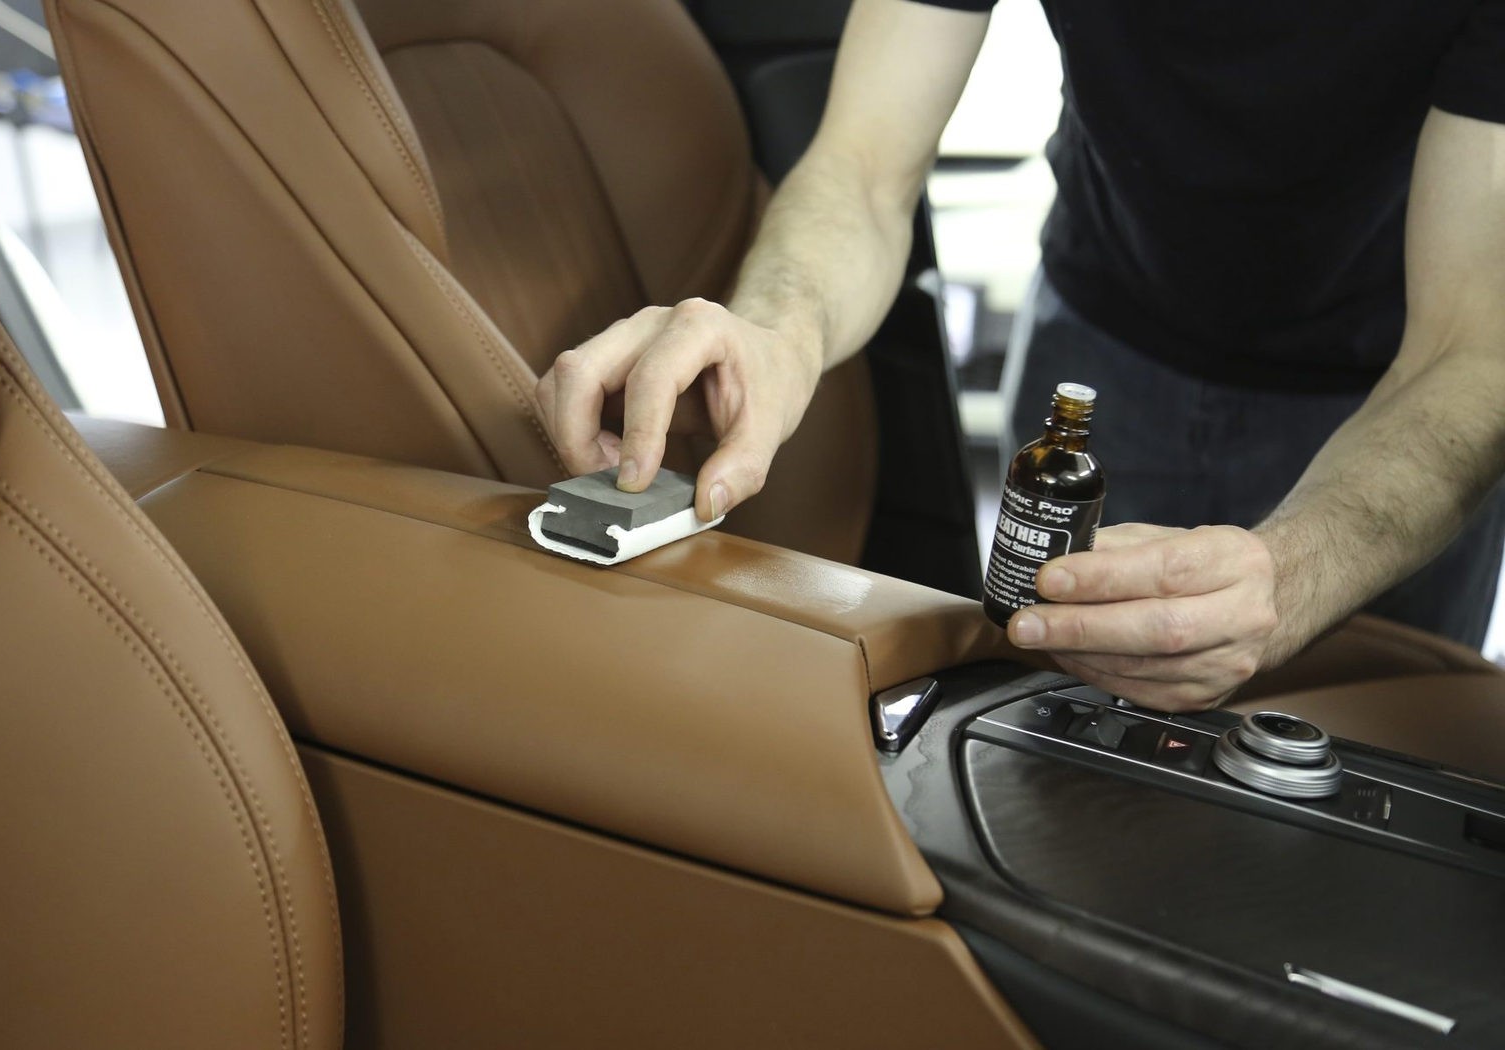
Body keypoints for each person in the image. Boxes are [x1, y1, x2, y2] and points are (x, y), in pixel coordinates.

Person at [533, 0, 1505, 710]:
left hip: (1388, 415)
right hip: (1103, 332)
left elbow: (1472, 348)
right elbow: (865, 166)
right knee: (1058, 734)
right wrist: (778, 331)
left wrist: (1293, 577)